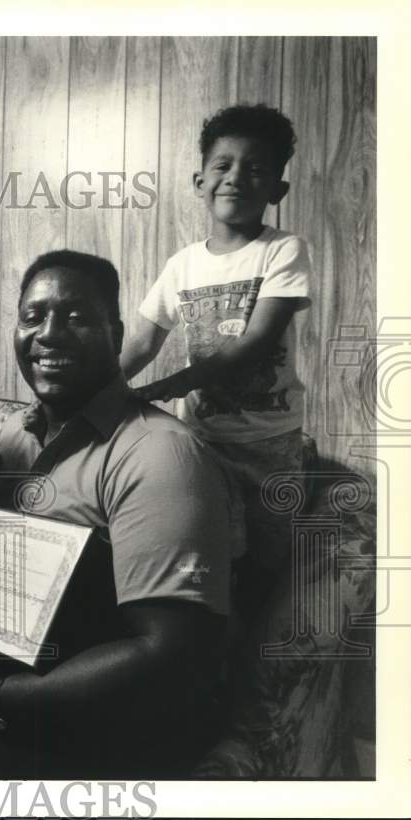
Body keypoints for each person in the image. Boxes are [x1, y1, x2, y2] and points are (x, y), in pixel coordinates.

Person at [0, 250, 234, 779]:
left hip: (97, 722)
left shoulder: (158, 454)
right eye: (33, 316)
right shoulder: (8, 441)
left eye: (76, 317)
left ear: (116, 336)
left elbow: (171, 655)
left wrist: (1, 694)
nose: (49, 334)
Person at [119, 104, 311, 609]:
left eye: (255, 168)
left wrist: (166, 386)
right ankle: (210, 648)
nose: (236, 177)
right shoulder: (182, 264)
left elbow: (255, 343)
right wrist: (92, 394)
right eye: (223, 165)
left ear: (277, 190)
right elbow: (141, 344)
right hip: (203, 439)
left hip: (271, 440)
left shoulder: (283, 250)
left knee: (269, 562)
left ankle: (253, 648)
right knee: (211, 551)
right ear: (199, 181)